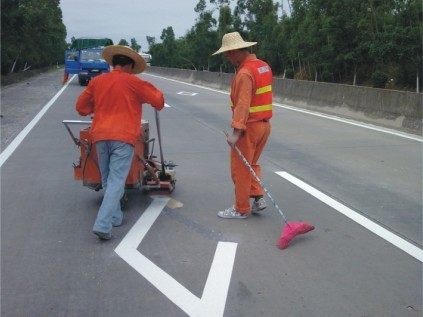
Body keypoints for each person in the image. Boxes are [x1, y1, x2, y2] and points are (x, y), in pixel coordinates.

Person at [76, 45, 165, 239]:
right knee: (116, 181)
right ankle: (103, 224)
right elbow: (158, 101)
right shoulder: (134, 83)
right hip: (123, 138)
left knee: (108, 180)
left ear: (113, 64)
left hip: (99, 136)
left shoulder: (97, 82)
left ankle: (115, 217)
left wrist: (97, 106)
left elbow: (81, 107)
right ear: (130, 67)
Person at [212, 32, 273, 219]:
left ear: (237, 51)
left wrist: (236, 132)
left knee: (240, 169)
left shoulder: (245, 73)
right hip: (264, 126)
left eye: (228, 53)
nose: (227, 57)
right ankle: (258, 198)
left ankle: (241, 209)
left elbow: (243, 104)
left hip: (249, 128)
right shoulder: (263, 66)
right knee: (252, 164)